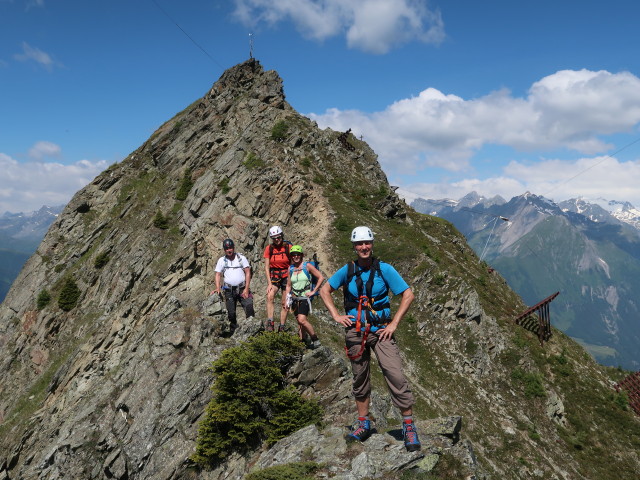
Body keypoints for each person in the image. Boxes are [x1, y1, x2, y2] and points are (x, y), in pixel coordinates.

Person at [319, 226, 421, 452]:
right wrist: (336, 315)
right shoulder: (347, 270)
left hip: (381, 330)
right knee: (359, 376)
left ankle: (408, 426)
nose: (364, 247)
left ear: (372, 244)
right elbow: (325, 290)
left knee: (394, 373)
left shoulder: (385, 269)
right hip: (356, 331)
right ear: (354, 247)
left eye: (367, 243)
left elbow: (408, 294)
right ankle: (363, 423)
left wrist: (394, 324)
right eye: (359, 244)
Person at [283, 245, 324, 349]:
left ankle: (315, 339)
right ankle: (303, 341)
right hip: (294, 299)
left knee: (302, 320)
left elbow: (321, 277)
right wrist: (286, 300)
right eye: (293, 255)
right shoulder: (291, 269)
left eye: (298, 254)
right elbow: (288, 285)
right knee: (299, 322)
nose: (295, 256)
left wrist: (313, 291)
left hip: (305, 298)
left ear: (301, 255)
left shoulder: (307, 266)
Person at [214, 238, 254, 333]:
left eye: (231, 248)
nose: (229, 250)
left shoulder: (241, 258)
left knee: (249, 309)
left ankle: (252, 331)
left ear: (233, 248)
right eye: (227, 248)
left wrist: (247, 288)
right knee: (231, 314)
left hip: (242, 288)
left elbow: (248, 272)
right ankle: (233, 332)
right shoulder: (221, 260)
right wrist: (217, 288)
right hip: (228, 290)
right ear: (224, 250)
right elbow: (217, 274)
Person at [263, 225, 291, 332]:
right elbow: (266, 267)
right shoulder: (269, 249)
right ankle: (270, 322)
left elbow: (292, 265)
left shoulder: (288, 247)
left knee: (285, 302)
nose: (276, 240)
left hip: (286, 277)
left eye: (278, 237)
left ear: (281, 236)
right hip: (274, 276)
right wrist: (269, 284)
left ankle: (282, 326)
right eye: (274, 238)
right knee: (270, 296)